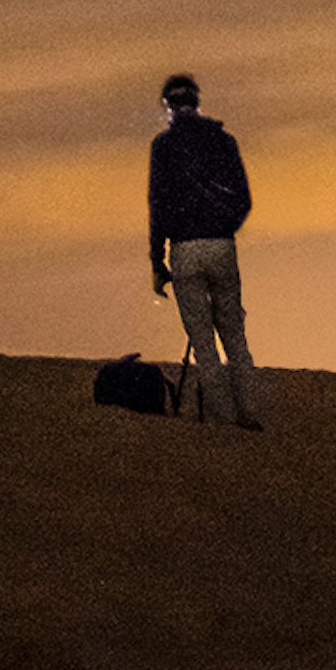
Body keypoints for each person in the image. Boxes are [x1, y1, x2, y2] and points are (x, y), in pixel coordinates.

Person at [147, 70, 263, 428]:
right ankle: (249, 413)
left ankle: (224, 422)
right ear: (197, 101)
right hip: (221, 246)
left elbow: (158, 207)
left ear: (168, 106)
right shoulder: (224, 142)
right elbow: (243, 199)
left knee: (203, 342)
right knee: (235, 336)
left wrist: (157, 261)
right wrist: (223, 227)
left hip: (185, 249)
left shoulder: (163, 147)